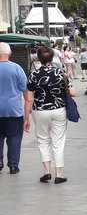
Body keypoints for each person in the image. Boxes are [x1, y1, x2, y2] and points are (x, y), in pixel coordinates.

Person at [26, 46, 77, 184]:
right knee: (58, 142)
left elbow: (29, 98)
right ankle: (59, 174)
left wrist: (26, 118)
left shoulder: (33, 75)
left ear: (38, 58)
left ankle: (46, 172)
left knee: (43, 141)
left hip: (40, 110)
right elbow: (73, 93)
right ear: (52, 57)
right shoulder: (61, 73)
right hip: (58, 109)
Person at [0, 43, 31, 175]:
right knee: (14, 138)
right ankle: (13, 165)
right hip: (14, 110)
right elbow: (27, 95)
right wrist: (27, 116)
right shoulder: (17, 68)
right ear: (10, 54)